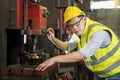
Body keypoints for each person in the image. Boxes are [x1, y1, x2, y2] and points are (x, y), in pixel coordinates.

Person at [36, 6, 120, 80]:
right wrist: (53, 39)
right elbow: (67, 46)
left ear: (84, 19)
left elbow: (82, 55)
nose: (75, 28)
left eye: (77, 23)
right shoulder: (80, 32)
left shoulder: (98, 32)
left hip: (116, 74)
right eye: (71, 26)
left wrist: (54, 59)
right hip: (100, 74)